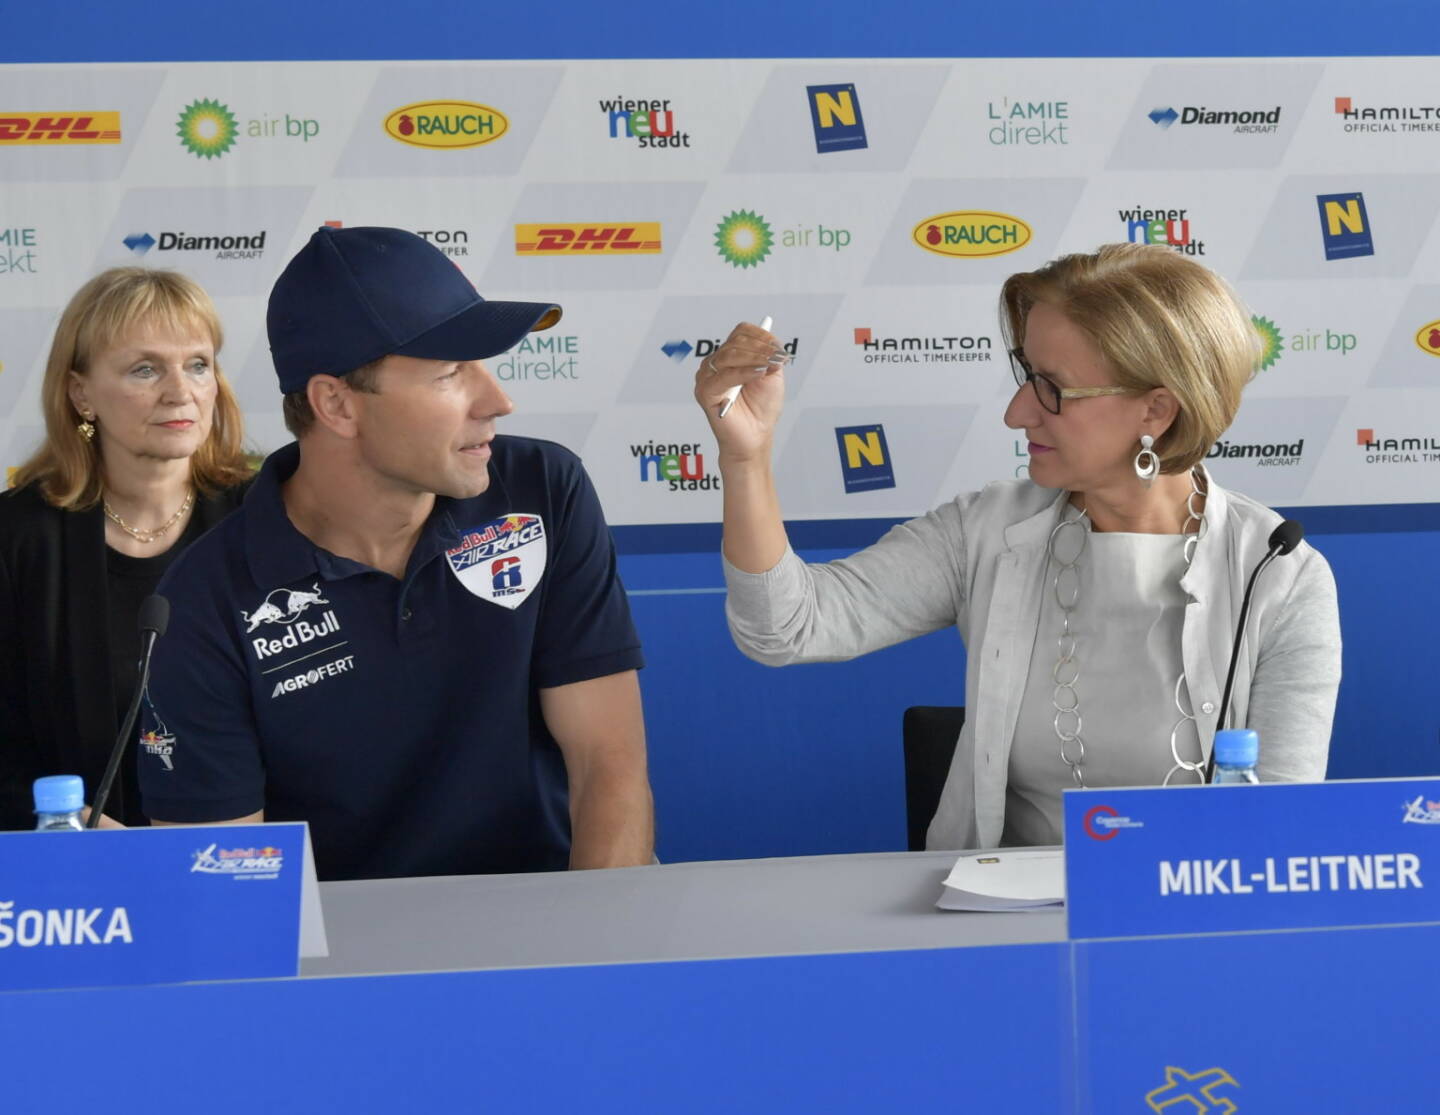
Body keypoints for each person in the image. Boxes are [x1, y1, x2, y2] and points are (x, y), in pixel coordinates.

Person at [695, 243, 1341, 850]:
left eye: (1052, 389)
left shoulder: (1278, 576)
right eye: (1026, 375)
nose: (1017, 412)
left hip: (1189, 932)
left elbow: (1278, 841)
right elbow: (785, 627)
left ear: (1156, 413)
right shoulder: (987, 531)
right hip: (1001, 940)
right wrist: (744, 457)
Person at [138, 225, 653, 881]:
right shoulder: (205, 600)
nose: (498, 401)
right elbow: (225, 883)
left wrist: (595, 963)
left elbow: (609, 767)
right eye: (450, 373)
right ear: (335, 403)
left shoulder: (543, 492)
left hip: (552, 936)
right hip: (335, 967)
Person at [0, 267, 251, 829]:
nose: (180, 391)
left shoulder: (264, 517)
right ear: (80, 393)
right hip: (80, 874)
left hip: (250, 858)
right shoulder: (17, 539)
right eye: (145, 369)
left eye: (197, 365)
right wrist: (71, 822)